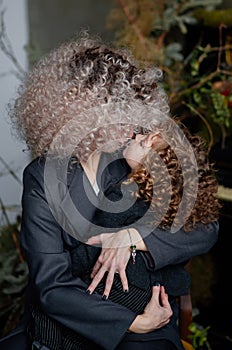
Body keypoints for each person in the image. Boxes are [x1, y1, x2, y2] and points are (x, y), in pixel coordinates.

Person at [0, 30, 220, 350]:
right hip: (74, 319)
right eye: (116, 117)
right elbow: (51, 285)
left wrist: (136, 238)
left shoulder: (134, 157)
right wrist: (131, 323)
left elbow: (206, 227)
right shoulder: (42, 178)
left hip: (150, 311)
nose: (131, 128)